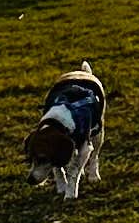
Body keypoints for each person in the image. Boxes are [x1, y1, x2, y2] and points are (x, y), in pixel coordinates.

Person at [24, 60, 106, 201]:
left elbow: (85, 149)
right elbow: (55, 152)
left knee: (94, 139)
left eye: (40, 161)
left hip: (91, 86)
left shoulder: (80, 121)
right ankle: (61, 184)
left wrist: (72, 181)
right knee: (56, 153)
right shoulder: (43, 132)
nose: (34, 171)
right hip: (63, 88)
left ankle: (93, 164)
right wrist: (60, 181)